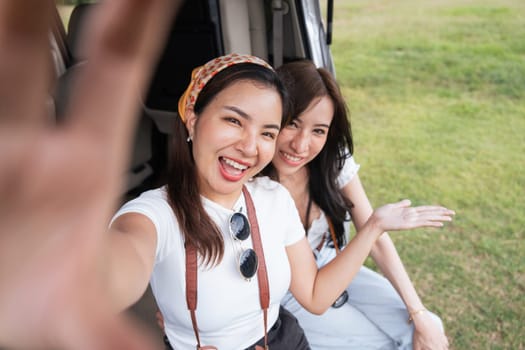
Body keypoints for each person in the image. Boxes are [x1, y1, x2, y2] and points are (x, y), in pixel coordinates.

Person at [0, 5, 454, 348]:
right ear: (193, 119)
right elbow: (113, 271)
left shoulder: (272, 198)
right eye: (234, 121)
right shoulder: (154, 215)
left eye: (267, 132)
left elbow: (313, 295)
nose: (251, 146)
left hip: (287, 339)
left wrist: (372, 224)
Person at [261, 59, 451, 350]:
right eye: (293, 123)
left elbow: (375, 241)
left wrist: (419, 312)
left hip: (332, 258)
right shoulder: (253, 180)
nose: (301, 145)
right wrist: (376, 225)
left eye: (318, 131)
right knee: (379, 345)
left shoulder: (331, 161)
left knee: (426, 329)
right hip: (291, 287)